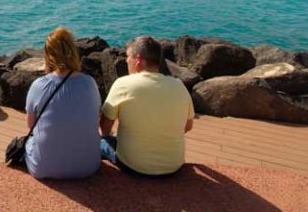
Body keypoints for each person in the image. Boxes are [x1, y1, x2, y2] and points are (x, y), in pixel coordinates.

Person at [100, 36, 194, 176]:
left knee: (101, 141)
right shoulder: (178, 85)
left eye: (128, 56)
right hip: (173, 166)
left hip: (133, 166)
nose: (126, 60)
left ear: (138, 60)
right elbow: (187, 126)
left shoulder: (123, 84)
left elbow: (104, 127)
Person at [24, 26, 102, 179]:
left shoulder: (39, 85)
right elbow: (95, 117)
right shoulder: (89, 83)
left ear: (48, 55)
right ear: (73, 52)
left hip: (44, 168)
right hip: (89, 166)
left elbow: (31, 125)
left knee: (28, 142)